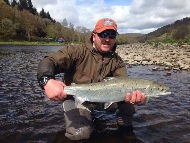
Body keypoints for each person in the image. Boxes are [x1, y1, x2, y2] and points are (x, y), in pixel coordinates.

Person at [37, 18, 145, 140]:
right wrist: (47, 81)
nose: (107, 39)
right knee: (80, 134)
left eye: (112, 35)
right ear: (94, 36)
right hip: (76, 97)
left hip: (103, 98)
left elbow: (123, 84)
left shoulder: (118, 62)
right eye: (103, 34)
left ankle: (125, 132)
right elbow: (48, 61)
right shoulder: (76, 51)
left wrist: (132, 97)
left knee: (129, 104)